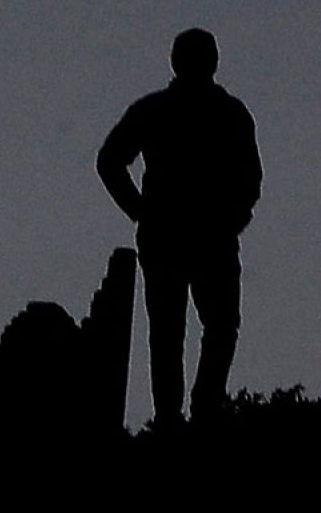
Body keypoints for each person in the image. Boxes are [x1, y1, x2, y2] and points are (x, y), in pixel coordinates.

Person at [95, 28, 262, 426]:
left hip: (187, 238)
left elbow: (250, 179)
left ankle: (186, 414)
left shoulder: (168, 110)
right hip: (191, 239)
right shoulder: (224, 112)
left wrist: (142, 212)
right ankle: (184, 416)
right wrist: (139, 211)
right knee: (192, 330)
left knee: (188, 331)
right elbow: (109, 161)